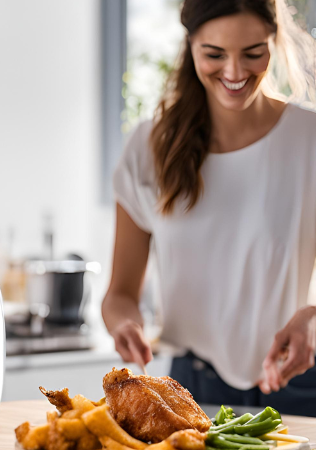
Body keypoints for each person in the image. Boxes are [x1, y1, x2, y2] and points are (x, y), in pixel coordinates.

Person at [102, 0, 316, 415]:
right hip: (191, 388)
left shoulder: (310, 140)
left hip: (300, 381)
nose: (234, 73)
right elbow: (120, 294)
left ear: (275, 42)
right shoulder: (149, 146)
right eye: (214, 54)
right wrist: (125, 325)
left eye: (253, 52)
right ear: (190, 46)